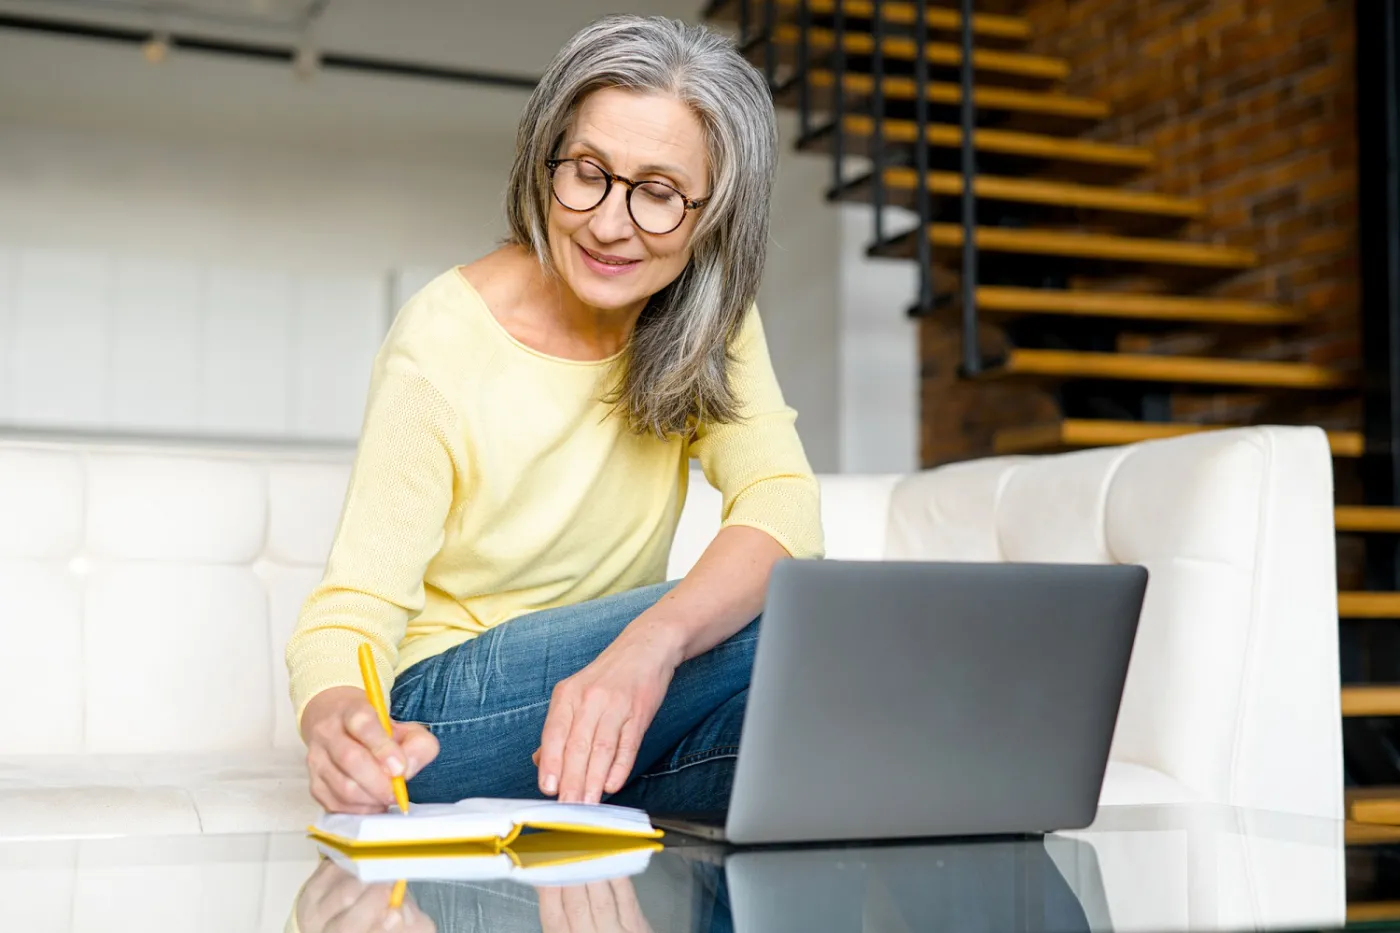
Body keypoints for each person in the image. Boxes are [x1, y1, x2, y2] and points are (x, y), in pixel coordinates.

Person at [284, 13, 823, 816]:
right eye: (588, 172)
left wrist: (646, 652)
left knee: (808, 756)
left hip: (613, 709)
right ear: (546, 164)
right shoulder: (442, 338)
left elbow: (780, 499)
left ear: (716, 213)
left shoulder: (709, 318)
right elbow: (353, 604)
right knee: (798, 616)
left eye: (660, 194)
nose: (608, 223)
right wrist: (336, 717)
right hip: (447, 718)